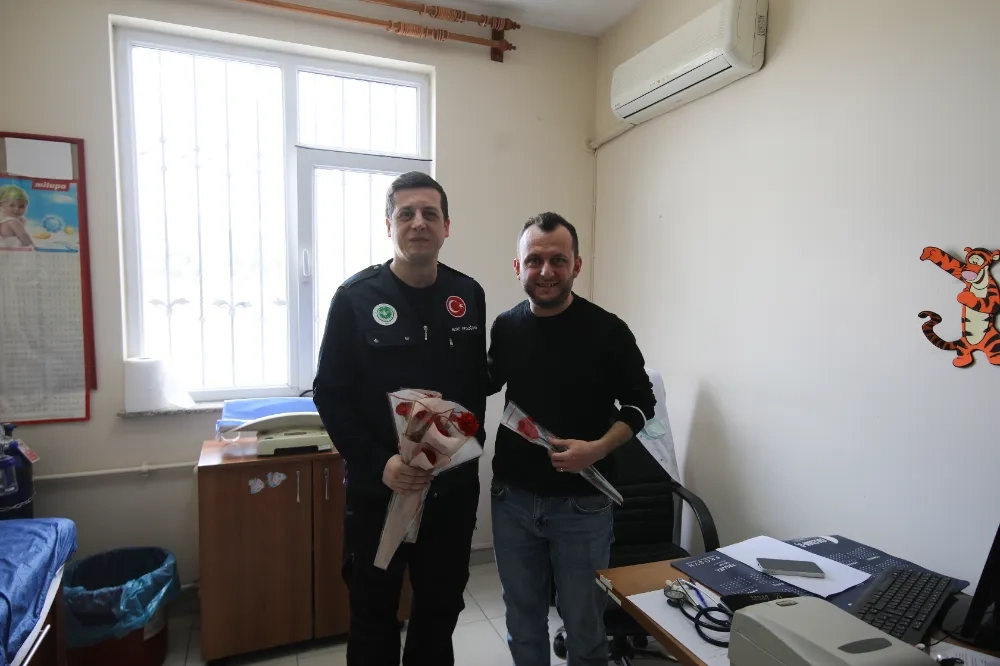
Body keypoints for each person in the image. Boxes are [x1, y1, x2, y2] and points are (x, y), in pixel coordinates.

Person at [313, 171, 487, 666]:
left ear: (447, 226)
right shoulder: (355, 298)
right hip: (380, 493)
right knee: (373, 614)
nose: (418, 222)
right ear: (388, 225)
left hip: (450, 494)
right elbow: (330, 394)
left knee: (440, 610)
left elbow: (474, 389)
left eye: (430, 213)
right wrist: (380, 463)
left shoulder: (468, 295)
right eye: (406, 213)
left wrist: (455, 450)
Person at [487, 212, 656, 666]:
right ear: (518, 267)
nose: (546, 271)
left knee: (584, 625)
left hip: (583, 505)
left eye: (558, 260)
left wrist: (597, 449)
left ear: (576, 265)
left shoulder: (609, 331)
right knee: (522, 620)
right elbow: (483, 382)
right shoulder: (506, 327)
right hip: (512, 501)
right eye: (534, 260)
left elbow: (641, 404)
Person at [0, 185, 35, 249]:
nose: (17, 209)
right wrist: (34, 248)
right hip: (13, 250)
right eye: (12, 205)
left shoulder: (3, 219)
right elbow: (24, 237)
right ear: (1, 205)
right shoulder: (13, 221)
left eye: (21, 206)